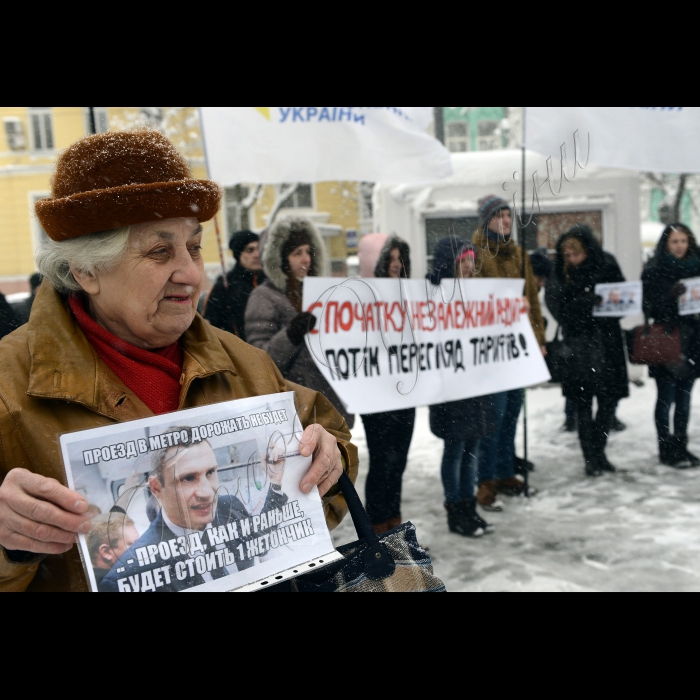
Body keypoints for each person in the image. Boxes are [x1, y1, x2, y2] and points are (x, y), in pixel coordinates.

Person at [0, 130, 358, 593]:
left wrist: (328, 462)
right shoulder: (9, 387)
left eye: (194, 247)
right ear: (85, 270)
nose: (191, 274)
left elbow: (327, 456)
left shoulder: (242, 363)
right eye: (159, 251)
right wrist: (8, 543)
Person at [100, 429, 289, 592]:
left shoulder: (228, 506)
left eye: (210, 472)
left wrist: (275, 482)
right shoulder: (128, 576)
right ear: (157, 488)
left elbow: (260, 536)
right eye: (188, 478)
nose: (207, 493)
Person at [472, 196, 546, 509]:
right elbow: (473, 300)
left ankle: (505, 471)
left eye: (507, 215)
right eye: (498, 216)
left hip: (518, 347)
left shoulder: (519, 254)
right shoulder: (476, 253)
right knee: (493, 415)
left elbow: (531, 298)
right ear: (485, 220)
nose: (505, 221)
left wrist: (538, 338)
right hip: (491, 350)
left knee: (513, 410)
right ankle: (485, 479)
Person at [246, 216, 355, 429]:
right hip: (296, 409)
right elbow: (259, 362)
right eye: (297, 253)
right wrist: (291, 335)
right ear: (280, 259)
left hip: (331, 406)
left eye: (308, 252)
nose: (306, 259)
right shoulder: (263, 297)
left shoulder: (321, 293)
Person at [546, 224, 629, 477]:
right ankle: (590, 458)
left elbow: (623, 298)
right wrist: (583, 305)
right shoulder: (560, 272)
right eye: (568, 255)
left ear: (588, 250)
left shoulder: (607, 264)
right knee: (583, 403)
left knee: (608, 401)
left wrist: (605, 305)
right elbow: (557, 307)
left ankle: (600, 452)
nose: (572, 260)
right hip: (579, 344)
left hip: (607, 340)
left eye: (577, 254)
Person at [429, 241, 496, 535]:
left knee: (472, 450)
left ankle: (468, 507)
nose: (469, 266)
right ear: (450, 263)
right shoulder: (434, 295)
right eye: (463, 260)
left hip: (475, 388)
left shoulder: (477, 294)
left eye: (471, 260)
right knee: (455, 451)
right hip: (452, 390)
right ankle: (455, 509)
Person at [360, 237, 416, 534]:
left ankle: (394, 527)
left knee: (399, 461)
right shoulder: (365, 297)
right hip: (376, 394)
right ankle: (377, 530)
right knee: (383, 462)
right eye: (391, 258)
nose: (396, 264)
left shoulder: (412, 296)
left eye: (400, 258)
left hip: (405, 391)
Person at [642, 223, 700, 468]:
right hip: (666, 339)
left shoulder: (697, 266)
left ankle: (681, 446)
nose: (679, 246)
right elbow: (647, 306)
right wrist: (669, 296)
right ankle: (665, 448)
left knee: (685, 397)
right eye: (674, 241)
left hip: (693, 338)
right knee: (666, 396)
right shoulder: (654, 269)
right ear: (666, 243)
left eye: (683, 241)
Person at [203, 231, 266, 341]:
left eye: (259, 249)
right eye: (250, 250)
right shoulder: (225, 286)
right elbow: (209, 324)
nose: (257, 255)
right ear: (238, 254)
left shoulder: (272, 281)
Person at [86, 513, 139, 587]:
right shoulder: (112, 584)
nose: (139, 548)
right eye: (132, 544)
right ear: (106, 552)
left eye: (139, 542)